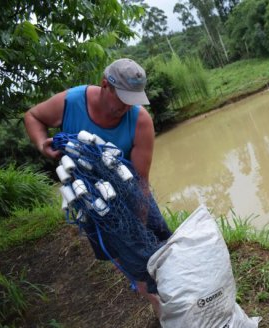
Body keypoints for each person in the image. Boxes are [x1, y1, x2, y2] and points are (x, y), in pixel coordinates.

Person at [24, 58, 171, 317]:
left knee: (149, 245)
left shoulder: (140, 121)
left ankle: (171, 292)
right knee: (118, 252)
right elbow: (33, 116)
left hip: (126, 189)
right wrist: (41, 144)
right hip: (89, 196)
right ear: (105, 86)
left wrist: (137, 224)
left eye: (133, 100)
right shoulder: (70, 102)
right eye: (123, 99)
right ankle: (155, 302)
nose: (127, 106)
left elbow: (140, 182)